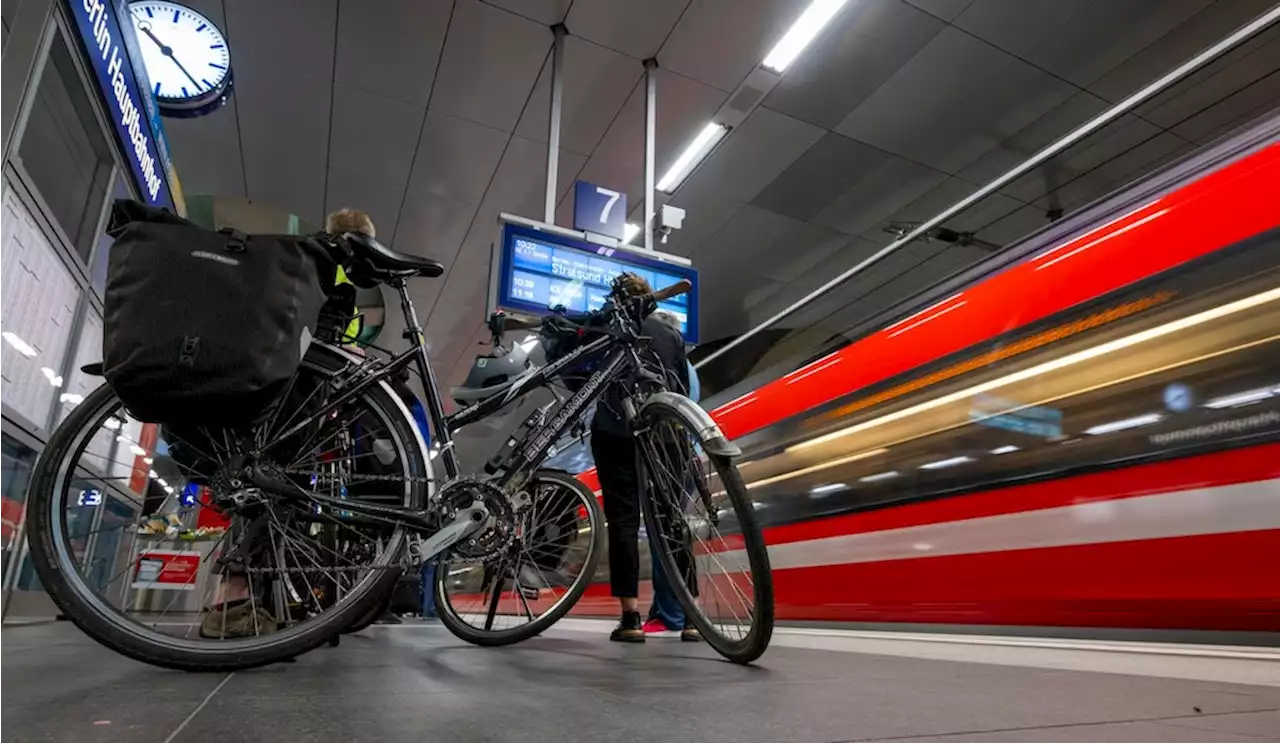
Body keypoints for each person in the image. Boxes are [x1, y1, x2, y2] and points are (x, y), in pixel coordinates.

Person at [589, 276, 699, 643]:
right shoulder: (669, 334)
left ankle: (631, 617)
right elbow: (680, 388)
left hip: (615, 430)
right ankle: (690, 619)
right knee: (673, 519)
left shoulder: (607, 323)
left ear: (616, 298)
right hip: (665, 433)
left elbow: (584, 378)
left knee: (622, 521)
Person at [641, 311, 700, 640]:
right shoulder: (690, 369)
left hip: (666, 450)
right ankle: (671, 609)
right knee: (674, 530)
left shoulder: (663, 365)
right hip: (686, 453)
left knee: (665, 534)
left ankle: (672, 614)